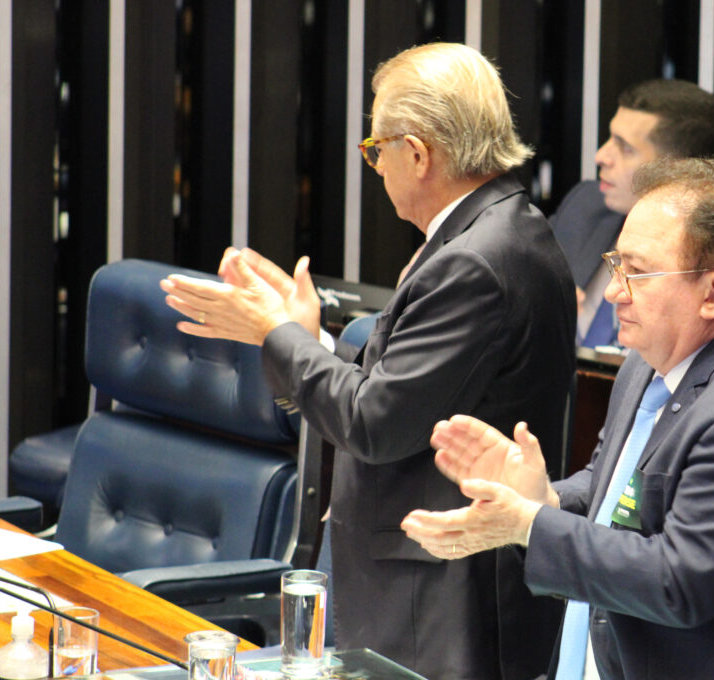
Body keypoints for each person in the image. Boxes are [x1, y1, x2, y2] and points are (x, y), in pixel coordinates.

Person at [160, 42, 575, 679]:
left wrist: (275, 333)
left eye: (376, 149)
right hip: (425, 577)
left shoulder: (474, 260)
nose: (376, 167)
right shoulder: (500, 230)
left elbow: (375, 422)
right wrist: (307, 338)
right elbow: (407, 389)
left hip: (436, 596)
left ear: (418, 152)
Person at [401, 157, 714, 680]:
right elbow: (618, 484)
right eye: (616, 264)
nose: (613, 292)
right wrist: (544, 497)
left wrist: (528, 524)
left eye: (638, 272)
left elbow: (676, 582)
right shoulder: (649, 361)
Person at [550, 79, 714, 348]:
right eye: (610, 138)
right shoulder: (585, 206)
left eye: (625, 147)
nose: (601, 156)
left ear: (679, 170)